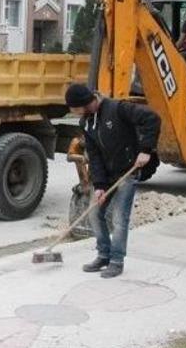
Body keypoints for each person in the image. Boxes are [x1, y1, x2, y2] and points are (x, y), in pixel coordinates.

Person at [65, 84, 161, 278]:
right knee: (94, 213)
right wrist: (99, 185)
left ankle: (116, 261)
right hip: (107, 176)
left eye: (75, 109)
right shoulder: (86, 123)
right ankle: (103, 255)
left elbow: (152, 119)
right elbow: (94, 155)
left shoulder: (118, 109)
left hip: (128, 171)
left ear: (84, 103)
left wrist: (146, 149)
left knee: (119, 218)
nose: (74, 113)